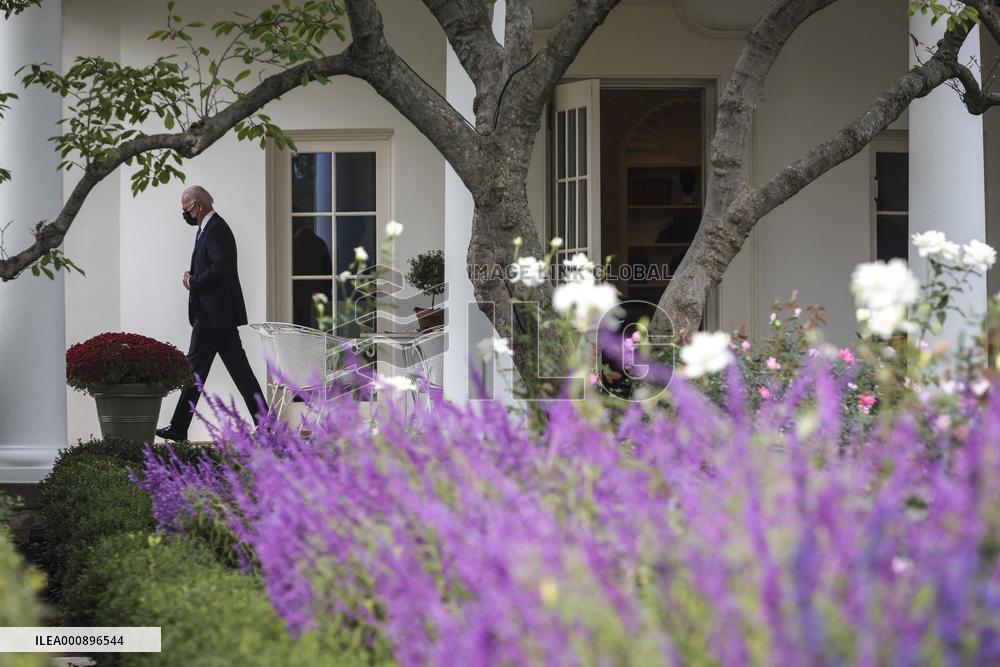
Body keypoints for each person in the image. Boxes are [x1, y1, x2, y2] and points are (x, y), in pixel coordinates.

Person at [156, 186, 267, 441]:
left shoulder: (216, 229)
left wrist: (193, 282)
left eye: (186, 209)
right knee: (238, 372)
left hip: (213, 316)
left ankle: (178, 427)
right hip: (218, 316)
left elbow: (222, 268)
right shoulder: (207, 228)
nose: (185, 214)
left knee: (194, 369)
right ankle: (267, 425)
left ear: (199, 205)